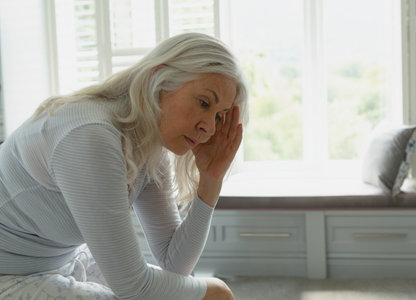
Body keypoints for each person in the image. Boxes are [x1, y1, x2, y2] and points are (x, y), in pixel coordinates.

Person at [0, 32, 248, 300]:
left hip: (61, 263)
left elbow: (174, 265)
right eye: (203, 103)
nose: (209, 127)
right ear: (159, 79)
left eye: (219, 116)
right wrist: (217, 291)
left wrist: (211, 180)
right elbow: (133, 287)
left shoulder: (148, 144)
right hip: (10, 276)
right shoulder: (91, 136)